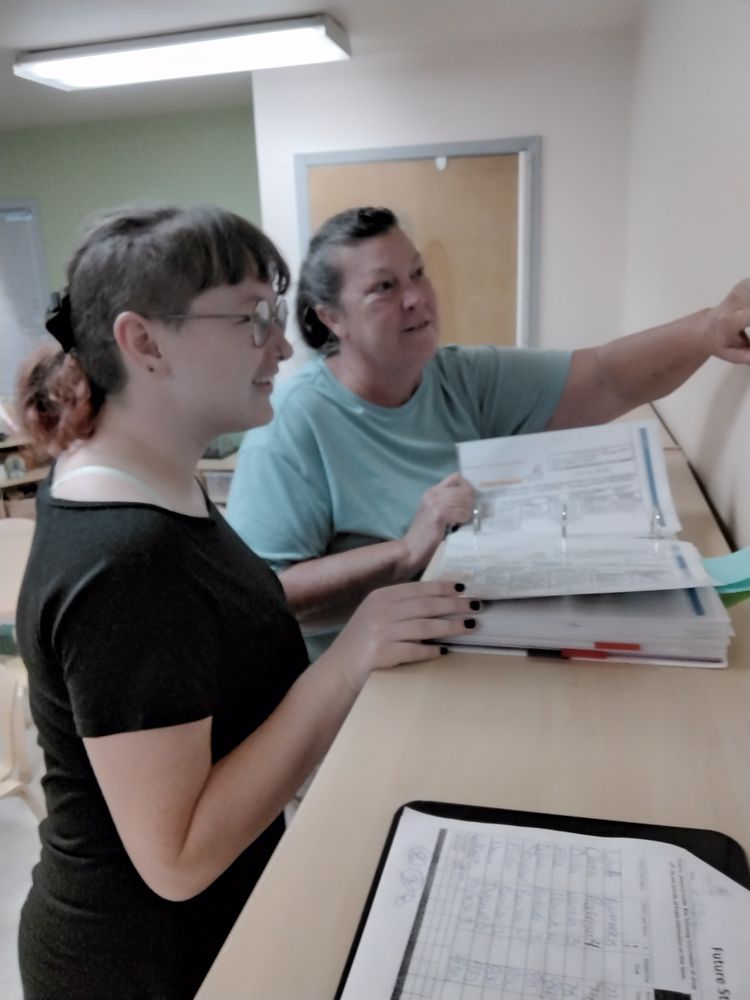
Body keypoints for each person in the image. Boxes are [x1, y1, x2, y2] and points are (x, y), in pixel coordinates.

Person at [13, 204, 477, 1000]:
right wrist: (350, 659)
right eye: (252, 318)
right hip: (140, 966)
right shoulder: (127, 558)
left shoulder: (153, 480)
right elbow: (179, 857)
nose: (283, 344)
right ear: (142, 341)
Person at [226, 205, 750, 657]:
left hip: (470, 629)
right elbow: (269, 596)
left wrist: (707, 331)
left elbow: (607, 376)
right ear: (331, 317)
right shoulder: (292, 423)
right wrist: (407, 550)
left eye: (419, 273)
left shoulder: (460, 375)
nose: (416, 298)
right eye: (384, 287)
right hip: (360, 681)